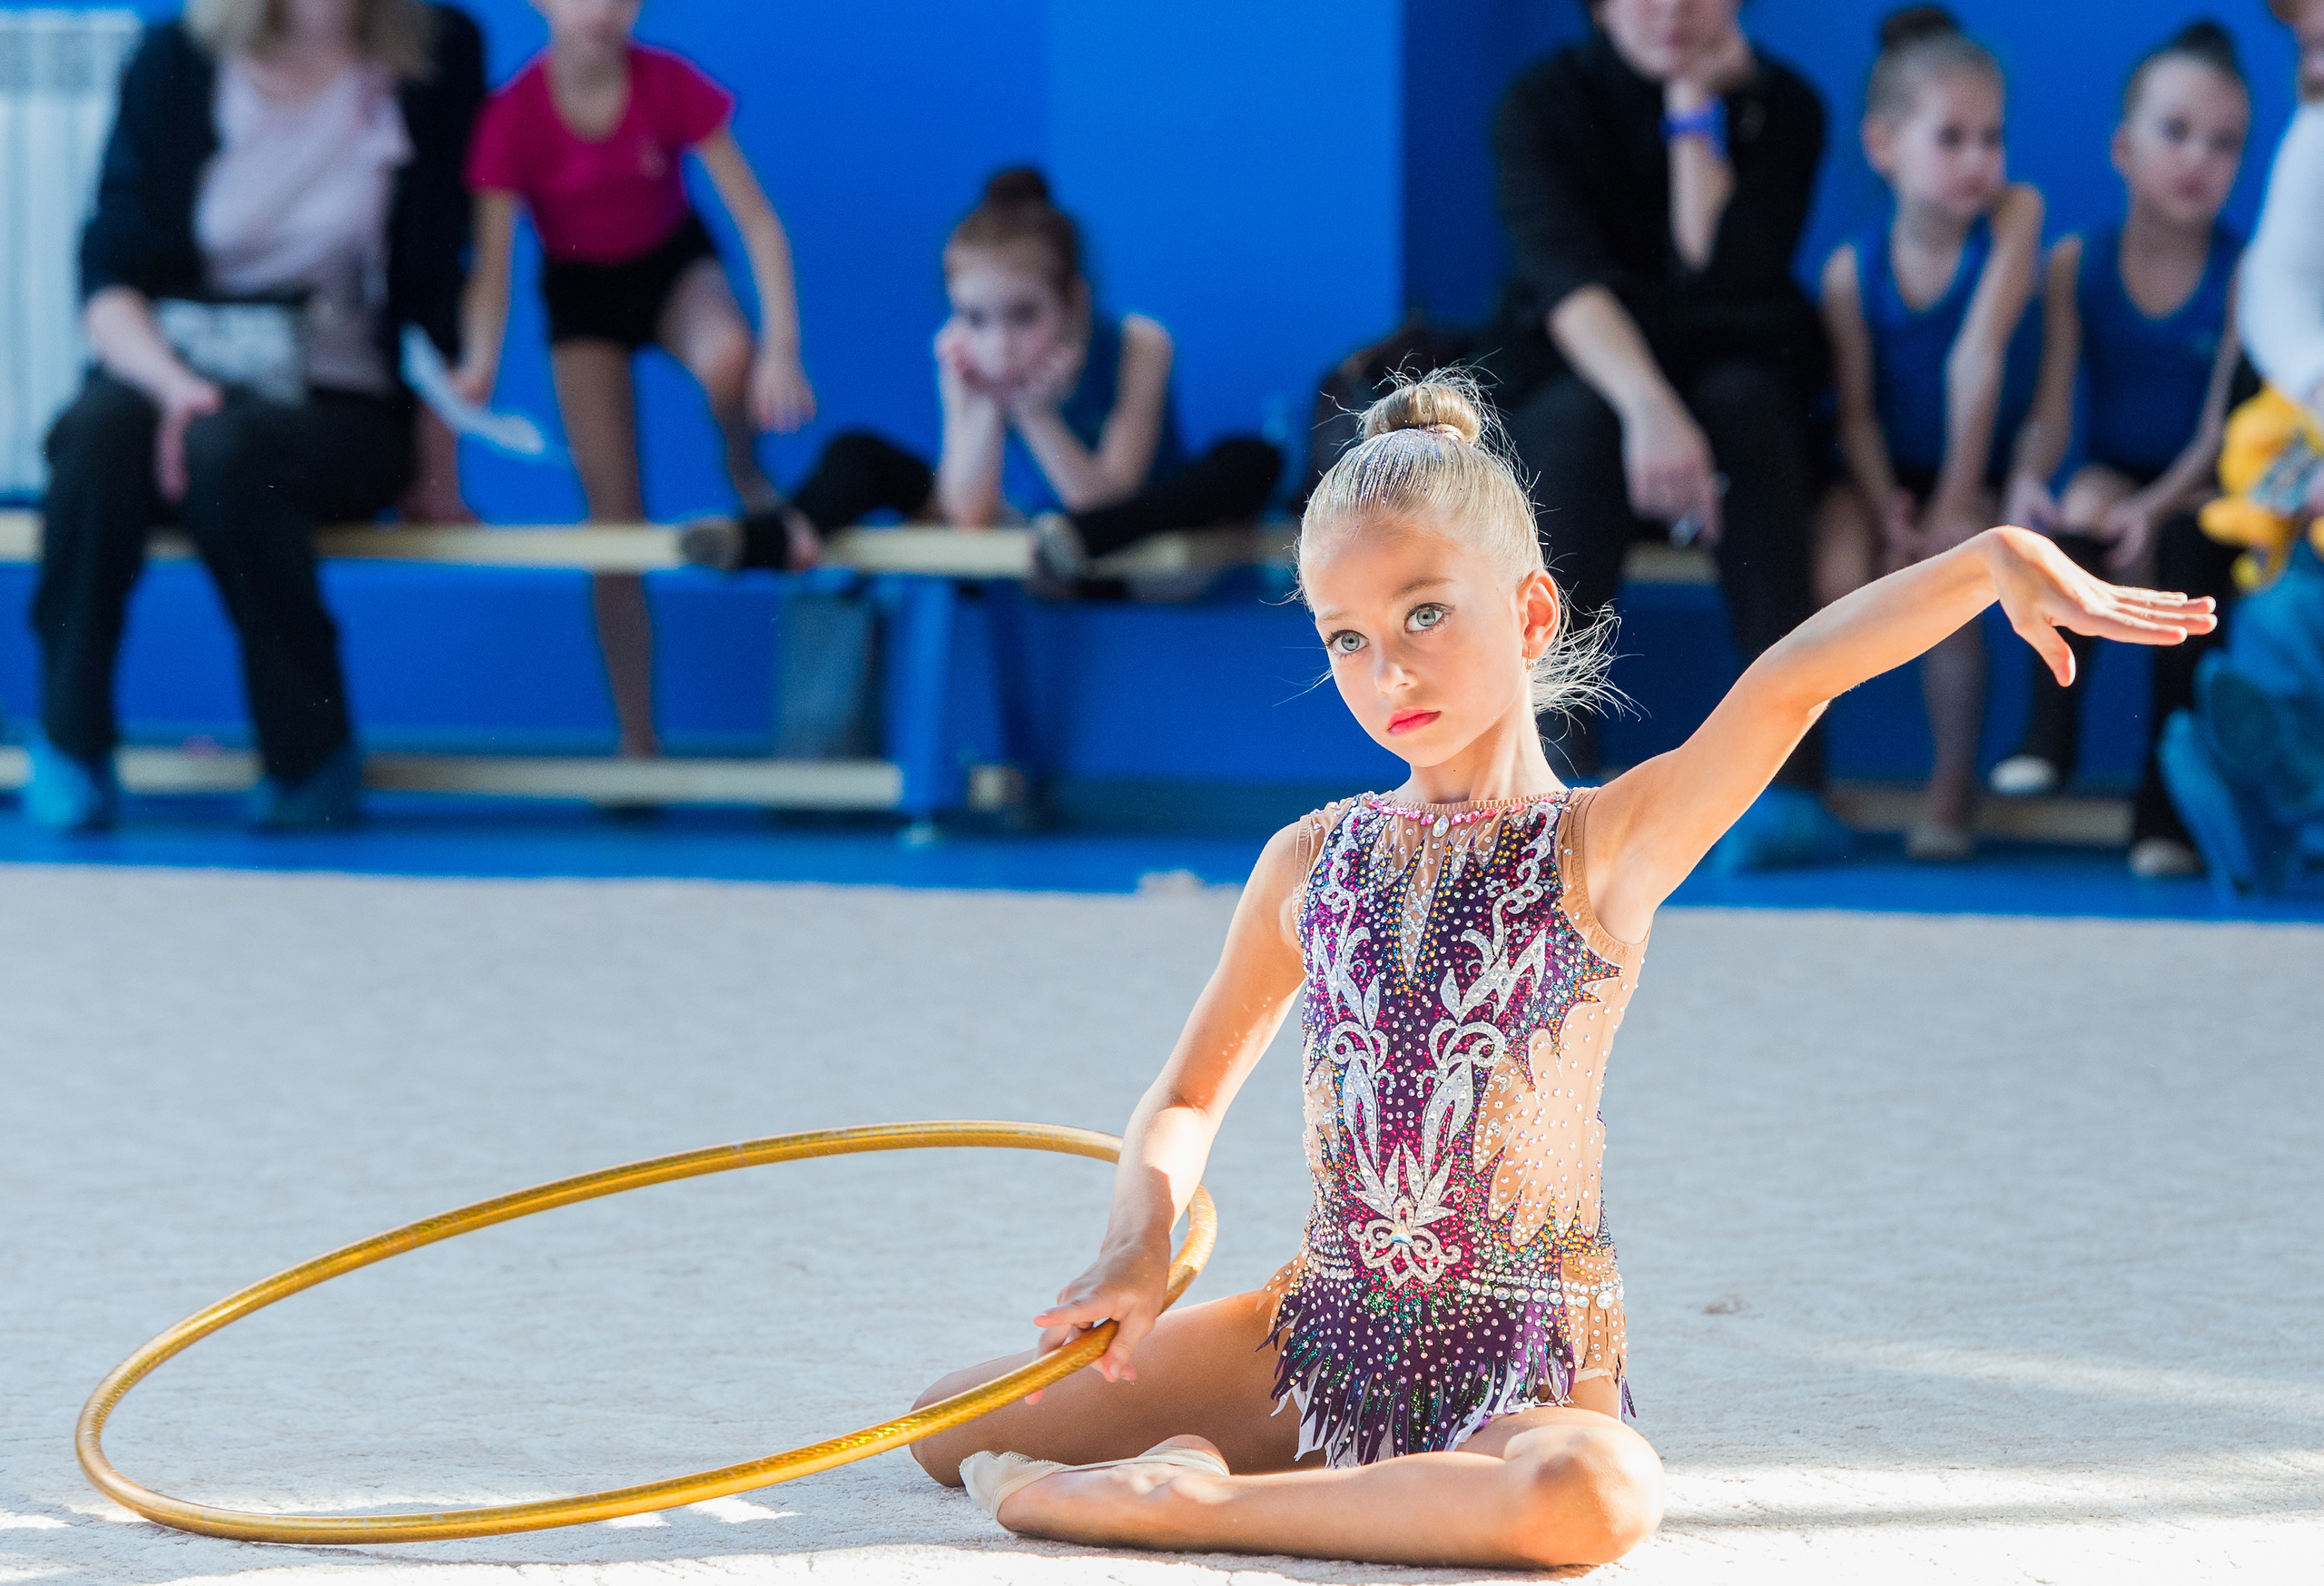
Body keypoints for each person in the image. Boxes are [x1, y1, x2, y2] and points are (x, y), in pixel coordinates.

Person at [900, 373, 2211, 1568]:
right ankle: (1262, 1470)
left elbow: (1789, 685)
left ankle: (1197, 1508)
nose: (1387, 669)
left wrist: (1988, 563)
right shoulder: (1310, 858)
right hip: (1310, 1336)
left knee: (1594, 1501)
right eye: (1345, 638)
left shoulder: (1604, 845)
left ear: (1529, 613)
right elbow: (1185, 1099)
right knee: (937, 1429)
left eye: (1423, 615)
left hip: (1522, 1365)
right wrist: (1135, 1246)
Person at [25, 0, 483, 832]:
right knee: (95, 440)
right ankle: (70, 739)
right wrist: (179, 388)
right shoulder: (173, 61)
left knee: (240, 457)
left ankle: (312, 746)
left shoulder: (437, 55)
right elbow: (107, 275)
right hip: (168, 368)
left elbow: (434, 275)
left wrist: (437, 457)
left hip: (334, 396)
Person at [1488, 0, 1841, 871]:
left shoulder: (1787, 108)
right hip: (1593, 387)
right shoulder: (1539, 104)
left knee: (1749, 403)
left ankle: (1794, 785)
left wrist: (1694, 109)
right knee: (1573, 424)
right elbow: (1561, 280)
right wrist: (1648, 402)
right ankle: (1551, 775)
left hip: (1735, 388)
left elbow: (1719, 273)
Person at [451, 0, 812, 757]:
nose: (602, 6)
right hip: (581, 297)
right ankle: (638, 737)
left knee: (727, 355)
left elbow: (760, 224)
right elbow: (492, 271)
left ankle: (744, 466)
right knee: (613, 523)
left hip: (671, 266)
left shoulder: (668, 85)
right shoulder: (512, 118)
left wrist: (780, 350)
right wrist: (478, 368)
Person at [683, 167, 1279, 581]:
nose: (1000, 343)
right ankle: (781, 531)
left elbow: (1102, 500)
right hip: (1042, 542)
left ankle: (781, 532)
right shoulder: (961, 353)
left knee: (1250, 458)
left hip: (1135, 534)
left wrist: (1034, 412)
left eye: (1023, 316)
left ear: (1074, 301)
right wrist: (980, 399)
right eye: (975, 317)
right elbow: (965, 516)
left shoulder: (1139, 343)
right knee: (858, 451)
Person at [1989, 22, 2251, 877]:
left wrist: (2161, 503)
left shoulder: (2244, 271)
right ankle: (2049, 733)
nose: (2197, 160)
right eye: (2176, 132)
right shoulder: (2077, 263)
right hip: (2112, 472)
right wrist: (2032, 477)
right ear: (2123, 147)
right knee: (2079, 512)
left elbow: (2219, 431)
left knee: (2186, 546)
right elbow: (2055, 411)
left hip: (2203, 483)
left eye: (2224, 144)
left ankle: (2163, 810)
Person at [1815, 5, 2044, 859]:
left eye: (1992, 137)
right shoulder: (1852, 271)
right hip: (1881, 468)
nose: (1980, 161)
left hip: (1971, 462)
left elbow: (1976, 360)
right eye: (1952, 139)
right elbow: (1859, 413)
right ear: (1884, 148)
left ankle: (1952, 790)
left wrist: (1952, 502)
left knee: (1953, 584)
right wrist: (1888, 510)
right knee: (1837, 571)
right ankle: (1805, 777)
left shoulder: (2014, 221)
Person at [2162, 0, 2324, 892]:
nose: (2317, 68)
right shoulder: (2315, 136)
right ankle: (2265, 781)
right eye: (2308, 46)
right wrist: (2313, 376)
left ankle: (2278, 800)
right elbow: (2273, 281)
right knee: (2287, 615)